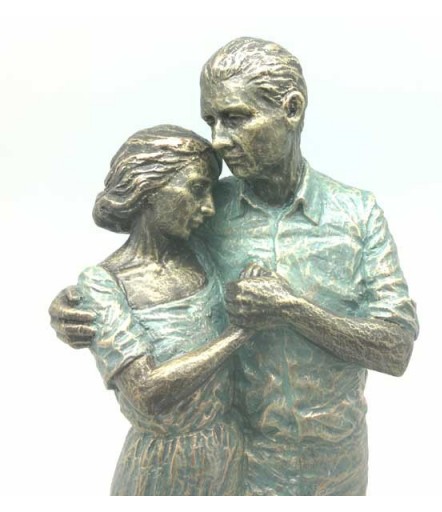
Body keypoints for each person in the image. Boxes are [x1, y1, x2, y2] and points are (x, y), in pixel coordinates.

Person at [50, 38, 419, 495]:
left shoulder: (357, 215)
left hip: (334, 466)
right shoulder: (204, 209)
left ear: (292, 109)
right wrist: (76, 307)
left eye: (236, 117)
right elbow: (137, 268)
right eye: (211, 120)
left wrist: (292, 309)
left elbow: (395, 350)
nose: (220, 139)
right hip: (236, 465)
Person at [67, 124, 251, 495]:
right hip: (162, 463)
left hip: (229, 449)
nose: (209, 207)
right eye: (197, 189)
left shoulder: (201, 253)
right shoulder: (104, 283)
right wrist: (240, 334)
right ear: (147, 188)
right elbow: (146, 392)